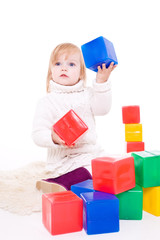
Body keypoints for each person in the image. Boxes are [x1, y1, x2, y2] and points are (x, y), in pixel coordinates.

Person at [32, 42, 117, 192]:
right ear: (51, 71)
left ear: (81, 73)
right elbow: (38, 134)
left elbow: (103, 109)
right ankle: (57, 183)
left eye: (71, 64)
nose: (64, 68)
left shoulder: (88, 94)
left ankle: (70, 182)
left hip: (90, 153)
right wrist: (53, 137)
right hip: (63, 159)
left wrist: (101, 82)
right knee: (91, 170)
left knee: (111, 165)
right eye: (58, 63)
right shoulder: (47, 102)